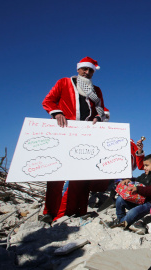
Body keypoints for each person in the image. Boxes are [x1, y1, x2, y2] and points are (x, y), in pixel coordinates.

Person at [41, 56, 110, 222]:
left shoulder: (96, 90)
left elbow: (102, 109)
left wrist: (99, 118)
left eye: (90, 70)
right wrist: (57, 113)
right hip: (64, 132)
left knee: (81, 174)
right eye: (84, 69)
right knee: (57, 173)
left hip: (85, 135)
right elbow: (48, 100)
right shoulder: (64, 82)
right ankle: (50, 212)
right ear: (78, 69)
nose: (87, 73)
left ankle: (76, 211)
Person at [115, 154, 151, 227]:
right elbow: (136, 181)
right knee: (119, 199)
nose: (144, 168)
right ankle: (120, 219)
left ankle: (122, 224)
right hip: (137, 201)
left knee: (132, 212)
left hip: (148, 204)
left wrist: (137, 189)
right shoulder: (143, 176)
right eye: (144, 166)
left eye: (147, 165)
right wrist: (128, 180)